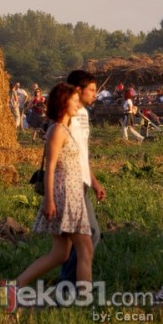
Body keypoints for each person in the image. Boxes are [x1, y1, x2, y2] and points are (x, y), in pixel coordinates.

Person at [16, 82, 93, 290]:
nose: (78, 105)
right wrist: (49, 200)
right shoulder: (57, 131)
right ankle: (84, 300)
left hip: (70, 193)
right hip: (64, 194)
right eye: (74, 101)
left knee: (61, 254)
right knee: (85, 249)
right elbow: (50, 167)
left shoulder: (64, 129)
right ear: (63, 102)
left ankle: (15, 286)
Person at [59, 70, 106, 285]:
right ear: (78, 90)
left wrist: (94, 181)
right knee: (91, 235)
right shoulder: (69, 116)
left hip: (82, 181)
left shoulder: (84, 114)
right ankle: (69, 285)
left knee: (65, 247)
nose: (96, 94)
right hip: (71, 182)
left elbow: (82, 152)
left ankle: (67, 283)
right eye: (92, 90)